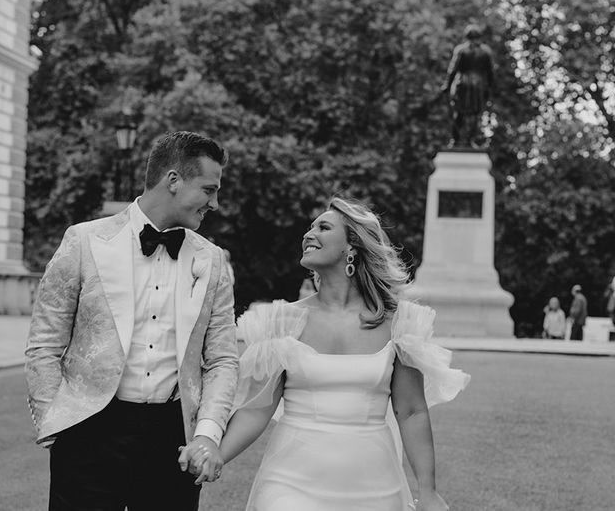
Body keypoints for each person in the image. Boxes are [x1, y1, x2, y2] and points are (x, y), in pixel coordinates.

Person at [200, 197, 469, 511]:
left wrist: (428, 491)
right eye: (310, 227)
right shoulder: (281, 322)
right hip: (291, 478)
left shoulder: (400, 325)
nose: (308, 234)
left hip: (374, 482)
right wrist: (217, 453)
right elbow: (256, 409)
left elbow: (411, 411)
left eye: (323, 227)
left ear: (351, 245)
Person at [25, 131, 238, 511]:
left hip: (173, 439)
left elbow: (222, 358)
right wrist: (57, 421)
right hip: (90, 430)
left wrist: (206, 434)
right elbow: (45, 342)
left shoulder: (211, 260)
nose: (215, 203)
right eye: (209, 189)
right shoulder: (84, 241)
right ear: (173, 180)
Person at [441, 24, 495, 148]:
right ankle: (471, 140)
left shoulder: (461, 50)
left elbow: (452, 69)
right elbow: (491, 72)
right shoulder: (485, 51)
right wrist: (489, 88)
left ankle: (455, 140)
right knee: (475, 114)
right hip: (478, 85)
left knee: (459, 112)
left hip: (463, 83)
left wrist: (447, 85)